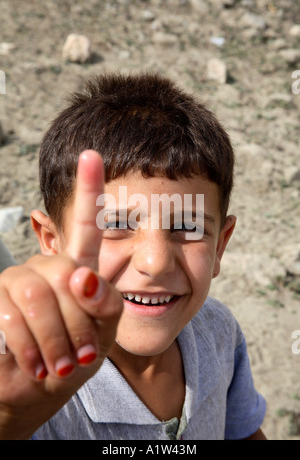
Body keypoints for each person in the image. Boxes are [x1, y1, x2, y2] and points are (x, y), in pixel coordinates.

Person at [0, 72, 266, 440]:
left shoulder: (219, 333)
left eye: (188, 228)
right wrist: (10, 418)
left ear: (219, 246)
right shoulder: (36, 390)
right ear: (51, 241)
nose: (155, 262)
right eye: (114, 225)